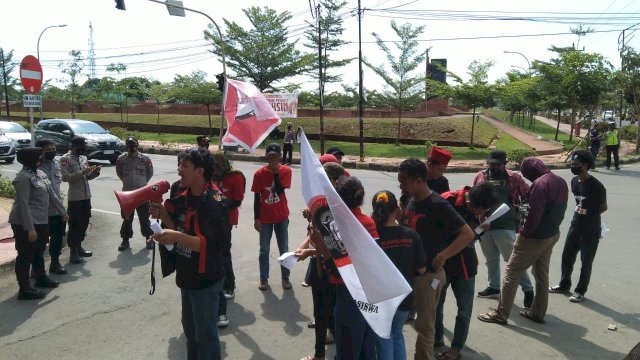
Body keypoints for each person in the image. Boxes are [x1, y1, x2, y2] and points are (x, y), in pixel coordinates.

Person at [149, 147, 229, 360]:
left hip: (206, 280)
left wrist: (175, 236)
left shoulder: (214, 202)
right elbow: (179, 225)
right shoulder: (184, 197)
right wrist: (164, 214)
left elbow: (209, 246)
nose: (179, 170)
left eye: (184, 166)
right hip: (188, 276)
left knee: (206, 337)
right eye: (179, 165)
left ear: (200, 171)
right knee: (191, 333)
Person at [398, 158, 475, 360]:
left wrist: (443, 256)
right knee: (407, 320)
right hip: (410, 271)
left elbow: (467, 234)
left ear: (418, 181)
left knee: (425, 326)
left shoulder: (438, 204)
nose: (401, 186)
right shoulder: (411, 200)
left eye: (404, 182)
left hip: (429, 275)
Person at [478, 157, 568, 325]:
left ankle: (501, 313)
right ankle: (537, 313)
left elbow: (534, 215)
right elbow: (560, 209)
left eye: (526, 172)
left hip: (534, 237)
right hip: (551, 234)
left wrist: (524, 233)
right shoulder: (560, 181)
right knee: (541, 274)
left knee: (511, 272)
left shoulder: (540, 184)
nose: (526, 176)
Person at [436, 183, 499, 360]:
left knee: (464, 310)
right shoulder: (446, 200)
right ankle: (437, 337)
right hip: (443, 262)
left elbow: (472, 238)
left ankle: (456, 349)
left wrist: (480, 230)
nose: (481, 214)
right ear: (469, 201)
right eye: (479, 210)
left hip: (466, 264)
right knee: (436, 304)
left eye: (484, 211)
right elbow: (434, 230)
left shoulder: (481, 207)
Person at [294, 162, 344, 360]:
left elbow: (334, 248)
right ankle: (319, 355)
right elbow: (314, 234)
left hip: (332, 270)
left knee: (334, 316)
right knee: (320, 314)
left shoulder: (340, 207)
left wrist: (309, 252)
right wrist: (304, 245)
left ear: (334, 181)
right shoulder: (320, 203)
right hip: (319, 269)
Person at [472, 150, 534, 309]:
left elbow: (528, 194)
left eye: (498, 164)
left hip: (505, 225)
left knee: (512, 261)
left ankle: (528, 290)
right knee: (491, 259)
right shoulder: (480, 177)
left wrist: (521, 210)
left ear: (504, 164)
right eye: (491, 164)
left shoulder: (514, 178)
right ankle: (493, 287)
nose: (494, 167)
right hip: (484, 224)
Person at [371, 190, 427, 360]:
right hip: (405, 298)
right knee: (396, 334)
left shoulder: (372, 237)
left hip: (381, 297)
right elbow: (422, 269)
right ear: (397, 210)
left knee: (383, 337)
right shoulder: (410, 234)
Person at [9, 147, 67, 300]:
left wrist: (62, 211)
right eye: (38, 156)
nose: (41, 158)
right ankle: (25, 289)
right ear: (29, 159)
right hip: (24, 223)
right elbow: (23, 205)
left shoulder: (39, 174)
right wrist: (29, 228)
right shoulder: (23, 178)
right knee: (25, 255)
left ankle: (40, 278)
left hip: (41, 220)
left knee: (39, 250)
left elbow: (52, 195)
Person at [550, 150, 607, 303]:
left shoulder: (596, 186)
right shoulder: (574, 181)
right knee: (567, 256)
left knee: (586, 260)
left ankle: (580, 291)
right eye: (572, 164)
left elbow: (603, 207)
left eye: (576, 164)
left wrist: (589, 214)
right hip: (575, 225)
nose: (573, 166)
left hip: (590, 228)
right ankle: (564, 285)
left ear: (586, 165)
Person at [211, 151, 246, 327]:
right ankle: (220, 281)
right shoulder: (212, 176)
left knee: (225, 252)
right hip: (213, 219)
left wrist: (220, 205)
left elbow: (238, 200)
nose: (214, 169)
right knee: (215, 251)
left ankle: (230, 285)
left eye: (217, 166)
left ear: (223, 164)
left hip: (227, 219)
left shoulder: (235, 176)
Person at [252, 143, 293, 290]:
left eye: (275, 157)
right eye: (270, 157)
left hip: (281, 216)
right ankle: (264, 279)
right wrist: (256, 218)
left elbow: (281, 191)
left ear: (280, 156)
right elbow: (257, 197)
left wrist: (275, 173)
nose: (273, 159)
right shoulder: (259, 174)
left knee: (284, 248)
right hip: (265, 218)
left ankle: (285, 277)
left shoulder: (286, 171)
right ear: (266, 157)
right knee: (264, 249)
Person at [60, 136, 101, 264]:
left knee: (84, 222)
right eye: (80, 147)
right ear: (73, 146)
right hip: (75, 197)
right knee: (74, 225)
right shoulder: (65, 159)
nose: (82, 149)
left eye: (83, 147)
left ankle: (79, 246)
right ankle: (73, 252)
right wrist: (83, 172)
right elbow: (65, 177)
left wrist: (94, 172)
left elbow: (87, 177)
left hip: (86, 196)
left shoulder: (83, 158)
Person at [115, 136, 154, 251]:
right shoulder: (121, 159)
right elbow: (119, 173)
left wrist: (141, 183)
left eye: (134, 144)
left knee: (144, 218)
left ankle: (149, 239)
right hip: (127, 195)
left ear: (137, 145)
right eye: (129, 145)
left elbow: (149, 173)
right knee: (127, 218)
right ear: (126, 146)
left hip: (142, 193)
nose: (132, 147)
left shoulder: (145, 159)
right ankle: (125, 241)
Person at [35, 138, 67, 275]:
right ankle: (36, 269)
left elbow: (56, 187)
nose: (52, 152)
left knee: (57, 238)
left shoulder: (56, 163)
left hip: (57, 209)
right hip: (41, 211)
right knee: (40, 243)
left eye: (53, 150)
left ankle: (55, 263)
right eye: (48, 150)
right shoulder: (35, 166)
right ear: (40, 151)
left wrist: (62, 210)